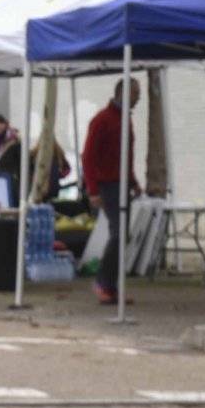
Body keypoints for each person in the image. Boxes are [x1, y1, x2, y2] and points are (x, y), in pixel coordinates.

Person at [81, 81, 141, 305]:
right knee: (118, 233)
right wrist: (93, 189)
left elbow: (125, 155)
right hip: (107, 185)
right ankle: (103, 282)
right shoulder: (102, 120)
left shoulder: (125, 119)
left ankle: (112, 286)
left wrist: (133, 181)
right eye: (136, 93)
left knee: (123, 234)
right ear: (122, 93)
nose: (138, 98)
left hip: (122, 183)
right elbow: (87, 156)